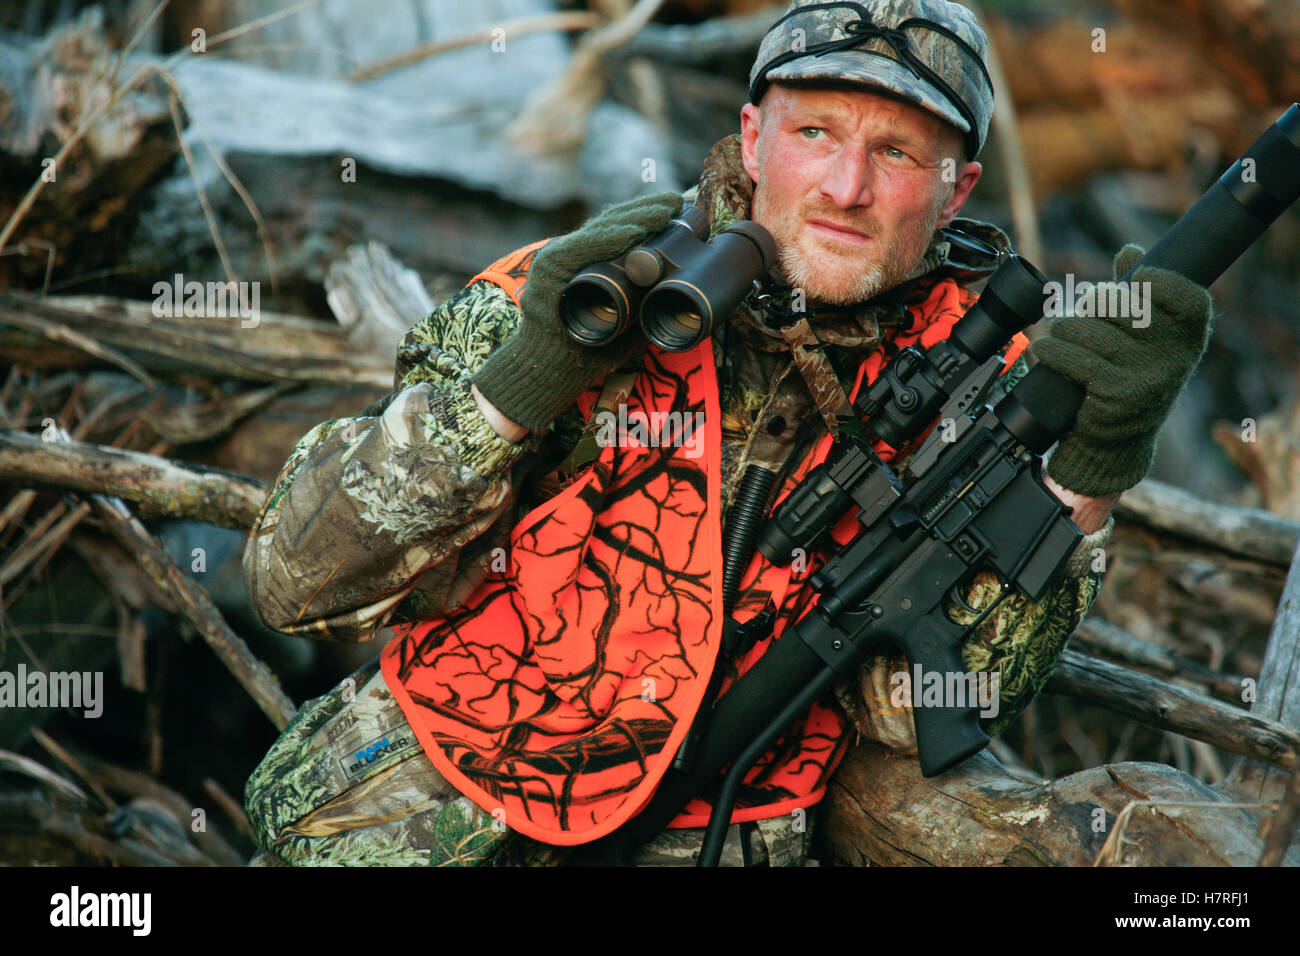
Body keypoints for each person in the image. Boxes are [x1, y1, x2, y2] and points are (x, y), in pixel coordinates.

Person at [241, 0, 1213, 866]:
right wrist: (529, 372)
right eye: (815, 132)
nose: (844, 185)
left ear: (957, 190)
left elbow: (928, 706)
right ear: (751, 138)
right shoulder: (582, 288)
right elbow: (294, 578)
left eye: (897, 152)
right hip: (408, 816)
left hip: (717, 828)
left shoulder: (988, 391)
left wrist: (1090, 471)